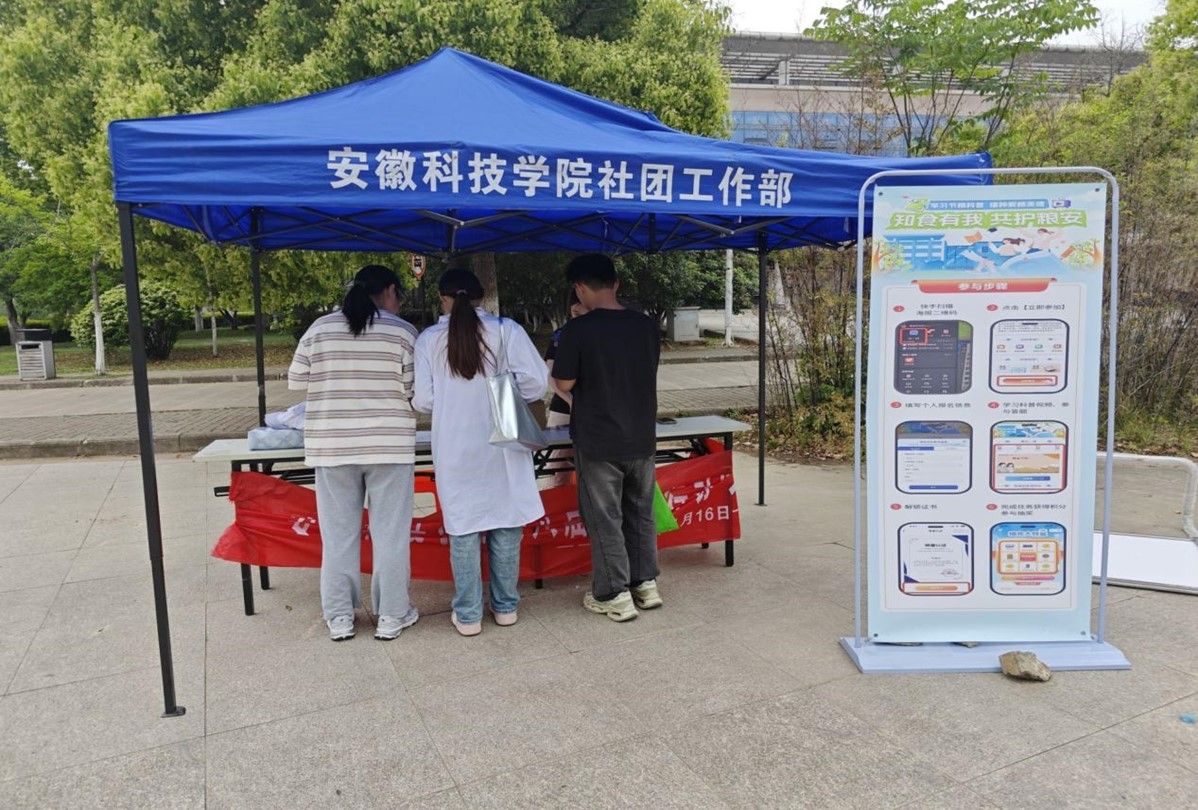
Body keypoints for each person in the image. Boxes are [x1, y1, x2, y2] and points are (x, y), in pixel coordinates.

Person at [288, 264, 420, 642]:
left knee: (338, 536)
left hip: (332, 446)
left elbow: (296, 380)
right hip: (389, 447)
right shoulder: (402, 332)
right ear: (390, 290)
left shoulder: (319, 329)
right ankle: (392, 615)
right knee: (390, 535)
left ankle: (340, 618)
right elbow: (415, 390)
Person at [413, 268, 548, 637]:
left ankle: (469, 614)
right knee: (506, 523)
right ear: (482, 296)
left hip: (455, 447)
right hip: (504, 443)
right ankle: (506, 608)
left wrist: (451, 399)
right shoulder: (507, 330)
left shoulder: (429, 340)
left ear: (442, 298)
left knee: (463, 528)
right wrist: (508, 392)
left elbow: (423, 400)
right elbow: (536, 382)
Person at [551, 254, 662, 623]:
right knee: (640, 512)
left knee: (604, 517)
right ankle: (645, 584)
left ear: (580, 288)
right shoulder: (646, 326)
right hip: (642, 436)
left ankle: (613, 593)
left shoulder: (578, 330)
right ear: (616, 283)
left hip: (599, 439)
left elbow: (563, 382)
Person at [542, 290, 589, 488]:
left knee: (592, 471)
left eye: (583, 313)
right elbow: (550, 375)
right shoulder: (561, 334)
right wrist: (571, 401)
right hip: (563, 408)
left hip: (594, 410)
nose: (578, 319)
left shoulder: (601, 333)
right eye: (574, 313)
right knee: (558, 468)